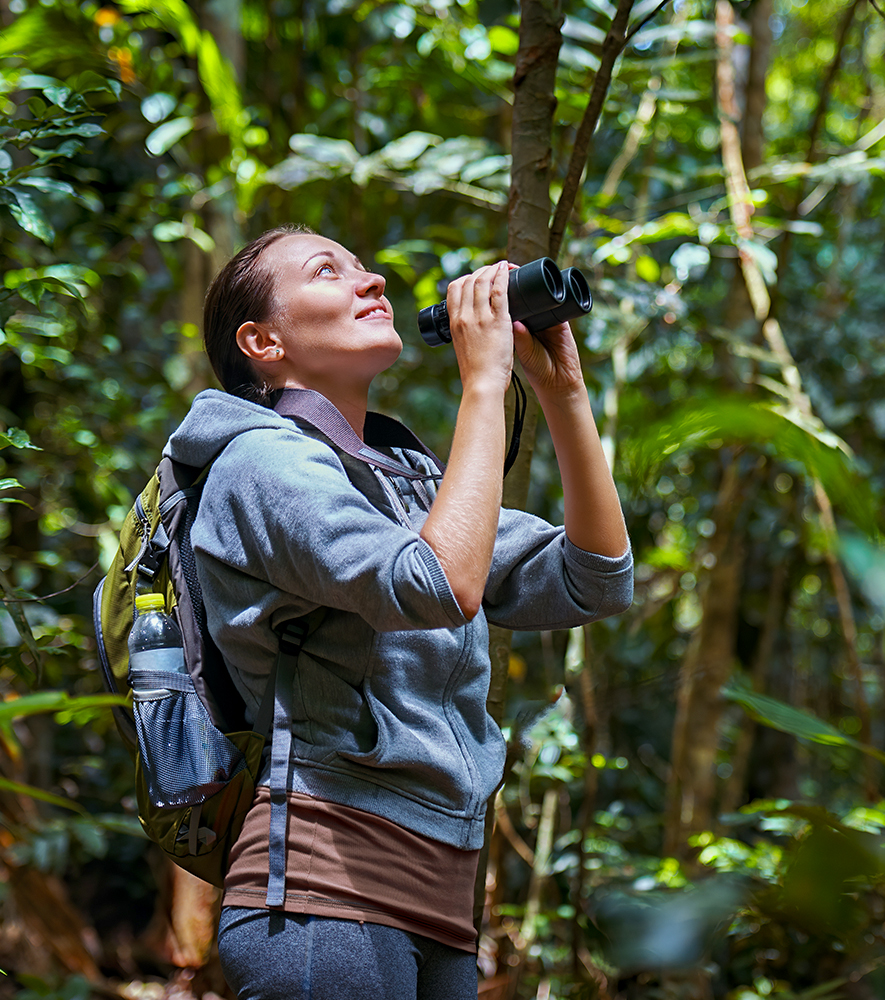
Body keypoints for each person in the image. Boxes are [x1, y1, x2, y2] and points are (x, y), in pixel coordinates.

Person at [162, 225, 633, 1000]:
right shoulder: (258, 464)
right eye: (328, 270)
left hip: (442, 901)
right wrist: (482, 385)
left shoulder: (404, 480)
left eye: (362, 265)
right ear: (262, 342)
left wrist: (563, 392)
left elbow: (595, 578)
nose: (371, 279)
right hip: (323, 893)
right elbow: (436, 586)